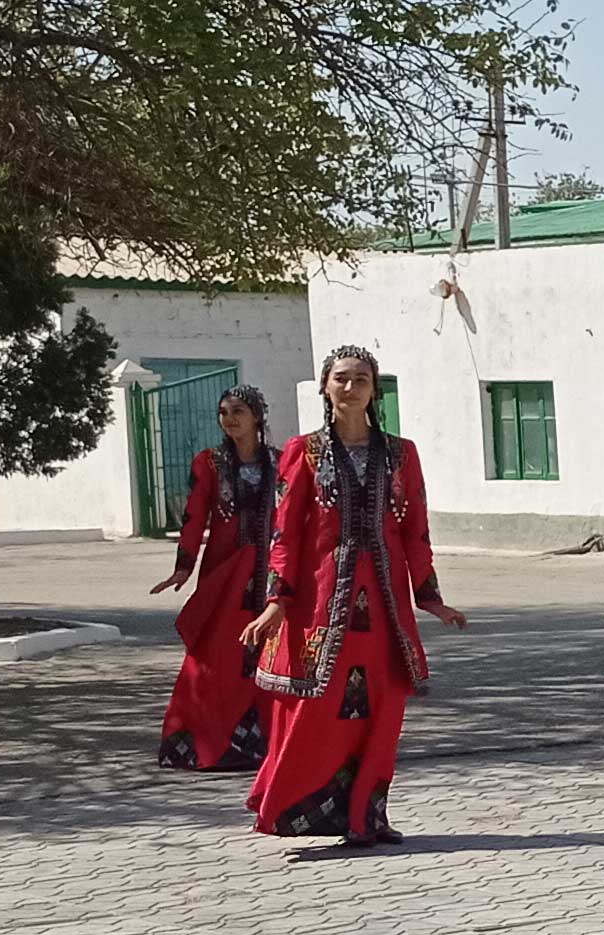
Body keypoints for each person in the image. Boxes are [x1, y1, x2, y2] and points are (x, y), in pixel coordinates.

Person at [242, 344, 465, 844]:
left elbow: (416, 530)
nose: (350, 387)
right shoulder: (304, 452)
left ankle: (368, 816)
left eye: (360, 379)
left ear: (374, 389)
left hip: (383, 606)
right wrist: (277, 601)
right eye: (340, 378)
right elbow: (285, 533)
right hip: (320, 606)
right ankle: (293, 806)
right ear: (325, 386)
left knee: (381, 709)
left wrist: (429, 597)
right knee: (318, 711)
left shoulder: (401, 454)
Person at [150, 386, 278, 771]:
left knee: (267, 656)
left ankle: (266, 742)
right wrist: (184, 566)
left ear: (257, 415)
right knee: (215, 657)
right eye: (223, 412)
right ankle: (203, 742)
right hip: (225, 575)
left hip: (270, 574)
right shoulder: (209, 463)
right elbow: (195, 515)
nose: (230, 418)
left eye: (238, 410)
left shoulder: (281, 461)